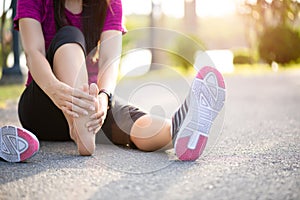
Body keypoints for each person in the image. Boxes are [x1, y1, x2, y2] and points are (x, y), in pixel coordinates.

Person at [0, 0, 226, 163]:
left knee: (130, 118)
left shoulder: (110, 4)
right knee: (70, 35)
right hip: (45, 101)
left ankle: (179, 131)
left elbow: (110, 60)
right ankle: (78, 131)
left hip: (91, 109)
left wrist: (102, 98)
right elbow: (33, 53)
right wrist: (57, 90)